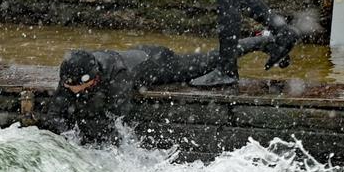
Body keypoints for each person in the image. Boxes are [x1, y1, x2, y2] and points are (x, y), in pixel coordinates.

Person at [47, 38, 271, 139]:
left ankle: (260, 41)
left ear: (92, 79)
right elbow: (55, 112)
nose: (69, 90)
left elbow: (119, 117)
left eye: (75, 86)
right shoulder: (72, 73)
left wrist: (89, 136)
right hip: (138, 53)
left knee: (208, 60)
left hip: (159, 63)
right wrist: (67, 136)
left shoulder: (118, 76)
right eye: (67, 85)